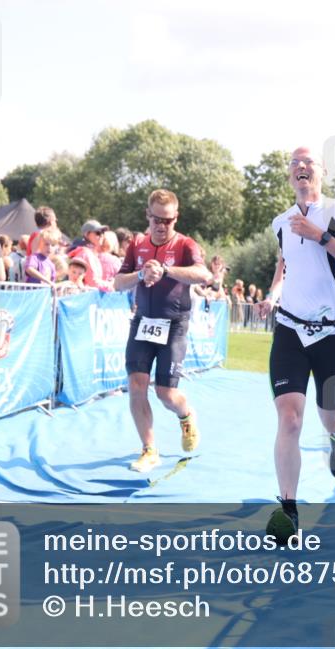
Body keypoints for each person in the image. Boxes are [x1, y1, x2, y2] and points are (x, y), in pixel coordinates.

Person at [255, 146, 335, 542]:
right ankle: (288, 510)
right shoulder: (281, 222)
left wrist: (321, 236)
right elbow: (284, 265)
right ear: (289, 175)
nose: (301, 168)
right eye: (294, 163)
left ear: (321, 172)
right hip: (290, 329)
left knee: (331, 416)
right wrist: (273, 294)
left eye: (308, 163)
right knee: (289, 418)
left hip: (331, 333)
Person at [113, 189, 211, 474]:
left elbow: (204, 275)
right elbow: (118, 282)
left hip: (174, 324)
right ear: (148, 215)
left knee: (166, 393)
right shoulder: (137, 244)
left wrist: (167, 270)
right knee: (136, 385)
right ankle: (149, 449)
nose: (161, 225)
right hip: (143, 322)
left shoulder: (185, 245)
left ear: (175, 218)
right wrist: (141, 274)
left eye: (168, 220)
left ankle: (186, 414)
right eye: (157, 219)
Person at [68, 220, 113, 290]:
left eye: (102, 233)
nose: (101, 236)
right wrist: (111, 285)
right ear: (87, 235)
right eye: (98, 233)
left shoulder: (91, 253)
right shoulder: (86, 253)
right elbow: (92, 283)